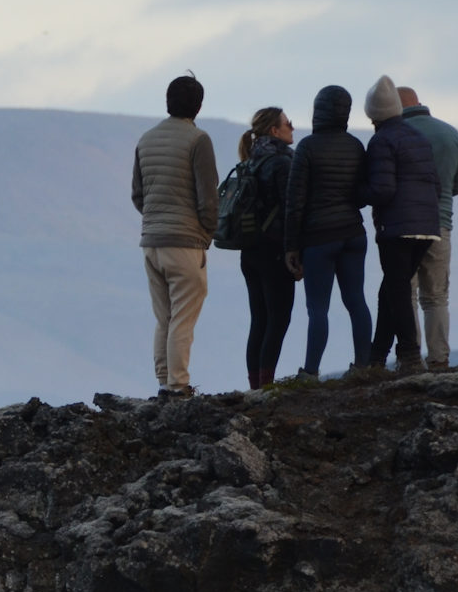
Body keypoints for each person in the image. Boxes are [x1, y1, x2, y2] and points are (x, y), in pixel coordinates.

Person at [132, 72, 220, 396]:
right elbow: (208, 196)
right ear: (198, 106)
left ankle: (163, 381)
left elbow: (137, 195)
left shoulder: (146, 139)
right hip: (185, 243)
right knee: (183, 318)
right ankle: (179, 385)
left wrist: (156, 220)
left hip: (151, 242)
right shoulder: (199, 140)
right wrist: (207, 231)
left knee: (164, 317)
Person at [283, 84, 372, 377]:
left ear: (317, 110)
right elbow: (361, 194)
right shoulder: (356, 145)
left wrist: (291, 246)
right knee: (356, 300)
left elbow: (295, 202)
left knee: (318, 309)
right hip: (354, 233)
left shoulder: (307, 147)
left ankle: (310, 373)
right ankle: (363, 365)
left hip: (319, 238)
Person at [360, 76, 441, 374]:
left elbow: (382, 190)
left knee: (396, 289)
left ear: (373, 114)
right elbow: (436, 185)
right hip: (427, 226)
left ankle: (408, 354)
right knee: (391, 290)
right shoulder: (418, 137)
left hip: (397, 228)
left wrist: (357, 193)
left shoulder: (381, 140)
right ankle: (377, 356)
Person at [397, 85, 458, 370]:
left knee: (408, 294)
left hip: (403, 225)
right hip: (441, 223)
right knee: (437, 296)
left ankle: (411, 358)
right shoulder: (450, 133)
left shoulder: (395, 136)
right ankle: (439, 358)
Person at [234, 107, 298, 388]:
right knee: (278, 319)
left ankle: (255, 386)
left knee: (259, 319)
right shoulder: (282, 163)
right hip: (274, 251)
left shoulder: (249, 161)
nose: (292, 128)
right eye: (288, 124)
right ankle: (266, 386)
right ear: (275, 130)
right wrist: (294, 251)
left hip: (249, 252)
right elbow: (290, 211)